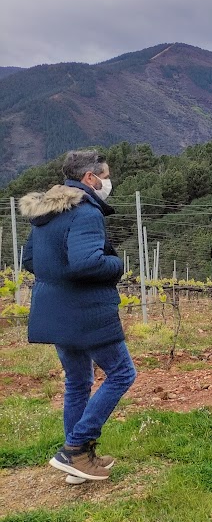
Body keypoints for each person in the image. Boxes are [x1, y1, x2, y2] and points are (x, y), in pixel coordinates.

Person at [20, 150, 136, 482]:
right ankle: (75, 447)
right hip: (86, 309)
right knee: (121, 373)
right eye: (106, 175)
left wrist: (57, 277)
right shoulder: (85, 213)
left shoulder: (48, 211)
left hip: (55, 309)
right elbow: (87, 263)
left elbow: (30, 260)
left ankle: (79, 462)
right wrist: (118, 264)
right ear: (90, 178)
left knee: (78, 381)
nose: (108, 182)